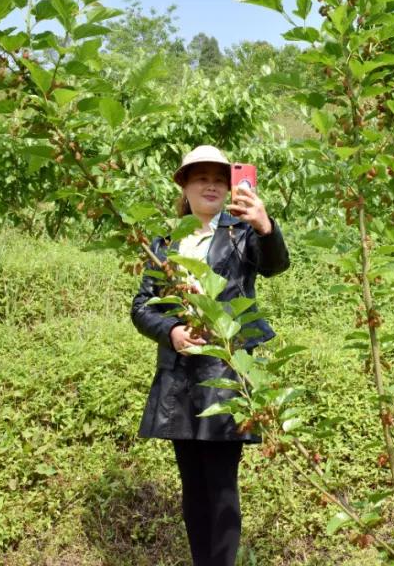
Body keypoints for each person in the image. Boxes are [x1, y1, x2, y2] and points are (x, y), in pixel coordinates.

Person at [131, 144, 290, 566]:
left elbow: (275, 266)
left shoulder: (242, 233)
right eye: (200, 177)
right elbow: (142, 307)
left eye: (220, 179)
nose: (211, 185)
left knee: (221, 488)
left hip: (225, 372)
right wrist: (173, 332)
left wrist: (265, 226)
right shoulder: (164, 243)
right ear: (184, 185)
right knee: (193, 488)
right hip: (180, 376)